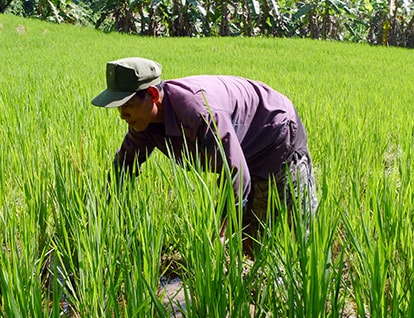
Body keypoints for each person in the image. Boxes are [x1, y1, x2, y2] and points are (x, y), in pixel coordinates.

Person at [91, 57, 318, 257]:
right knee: (249, 240)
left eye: (128, 105)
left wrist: (221, 230)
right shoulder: (144, 123)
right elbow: (124, 167)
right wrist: (102, 215)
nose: (122, 115)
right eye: (118, 108)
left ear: (152, 95)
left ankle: (307, 292)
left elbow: (234, 172)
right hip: (239, 142)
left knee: (292, 230)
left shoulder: (198, 112)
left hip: (274, 133)